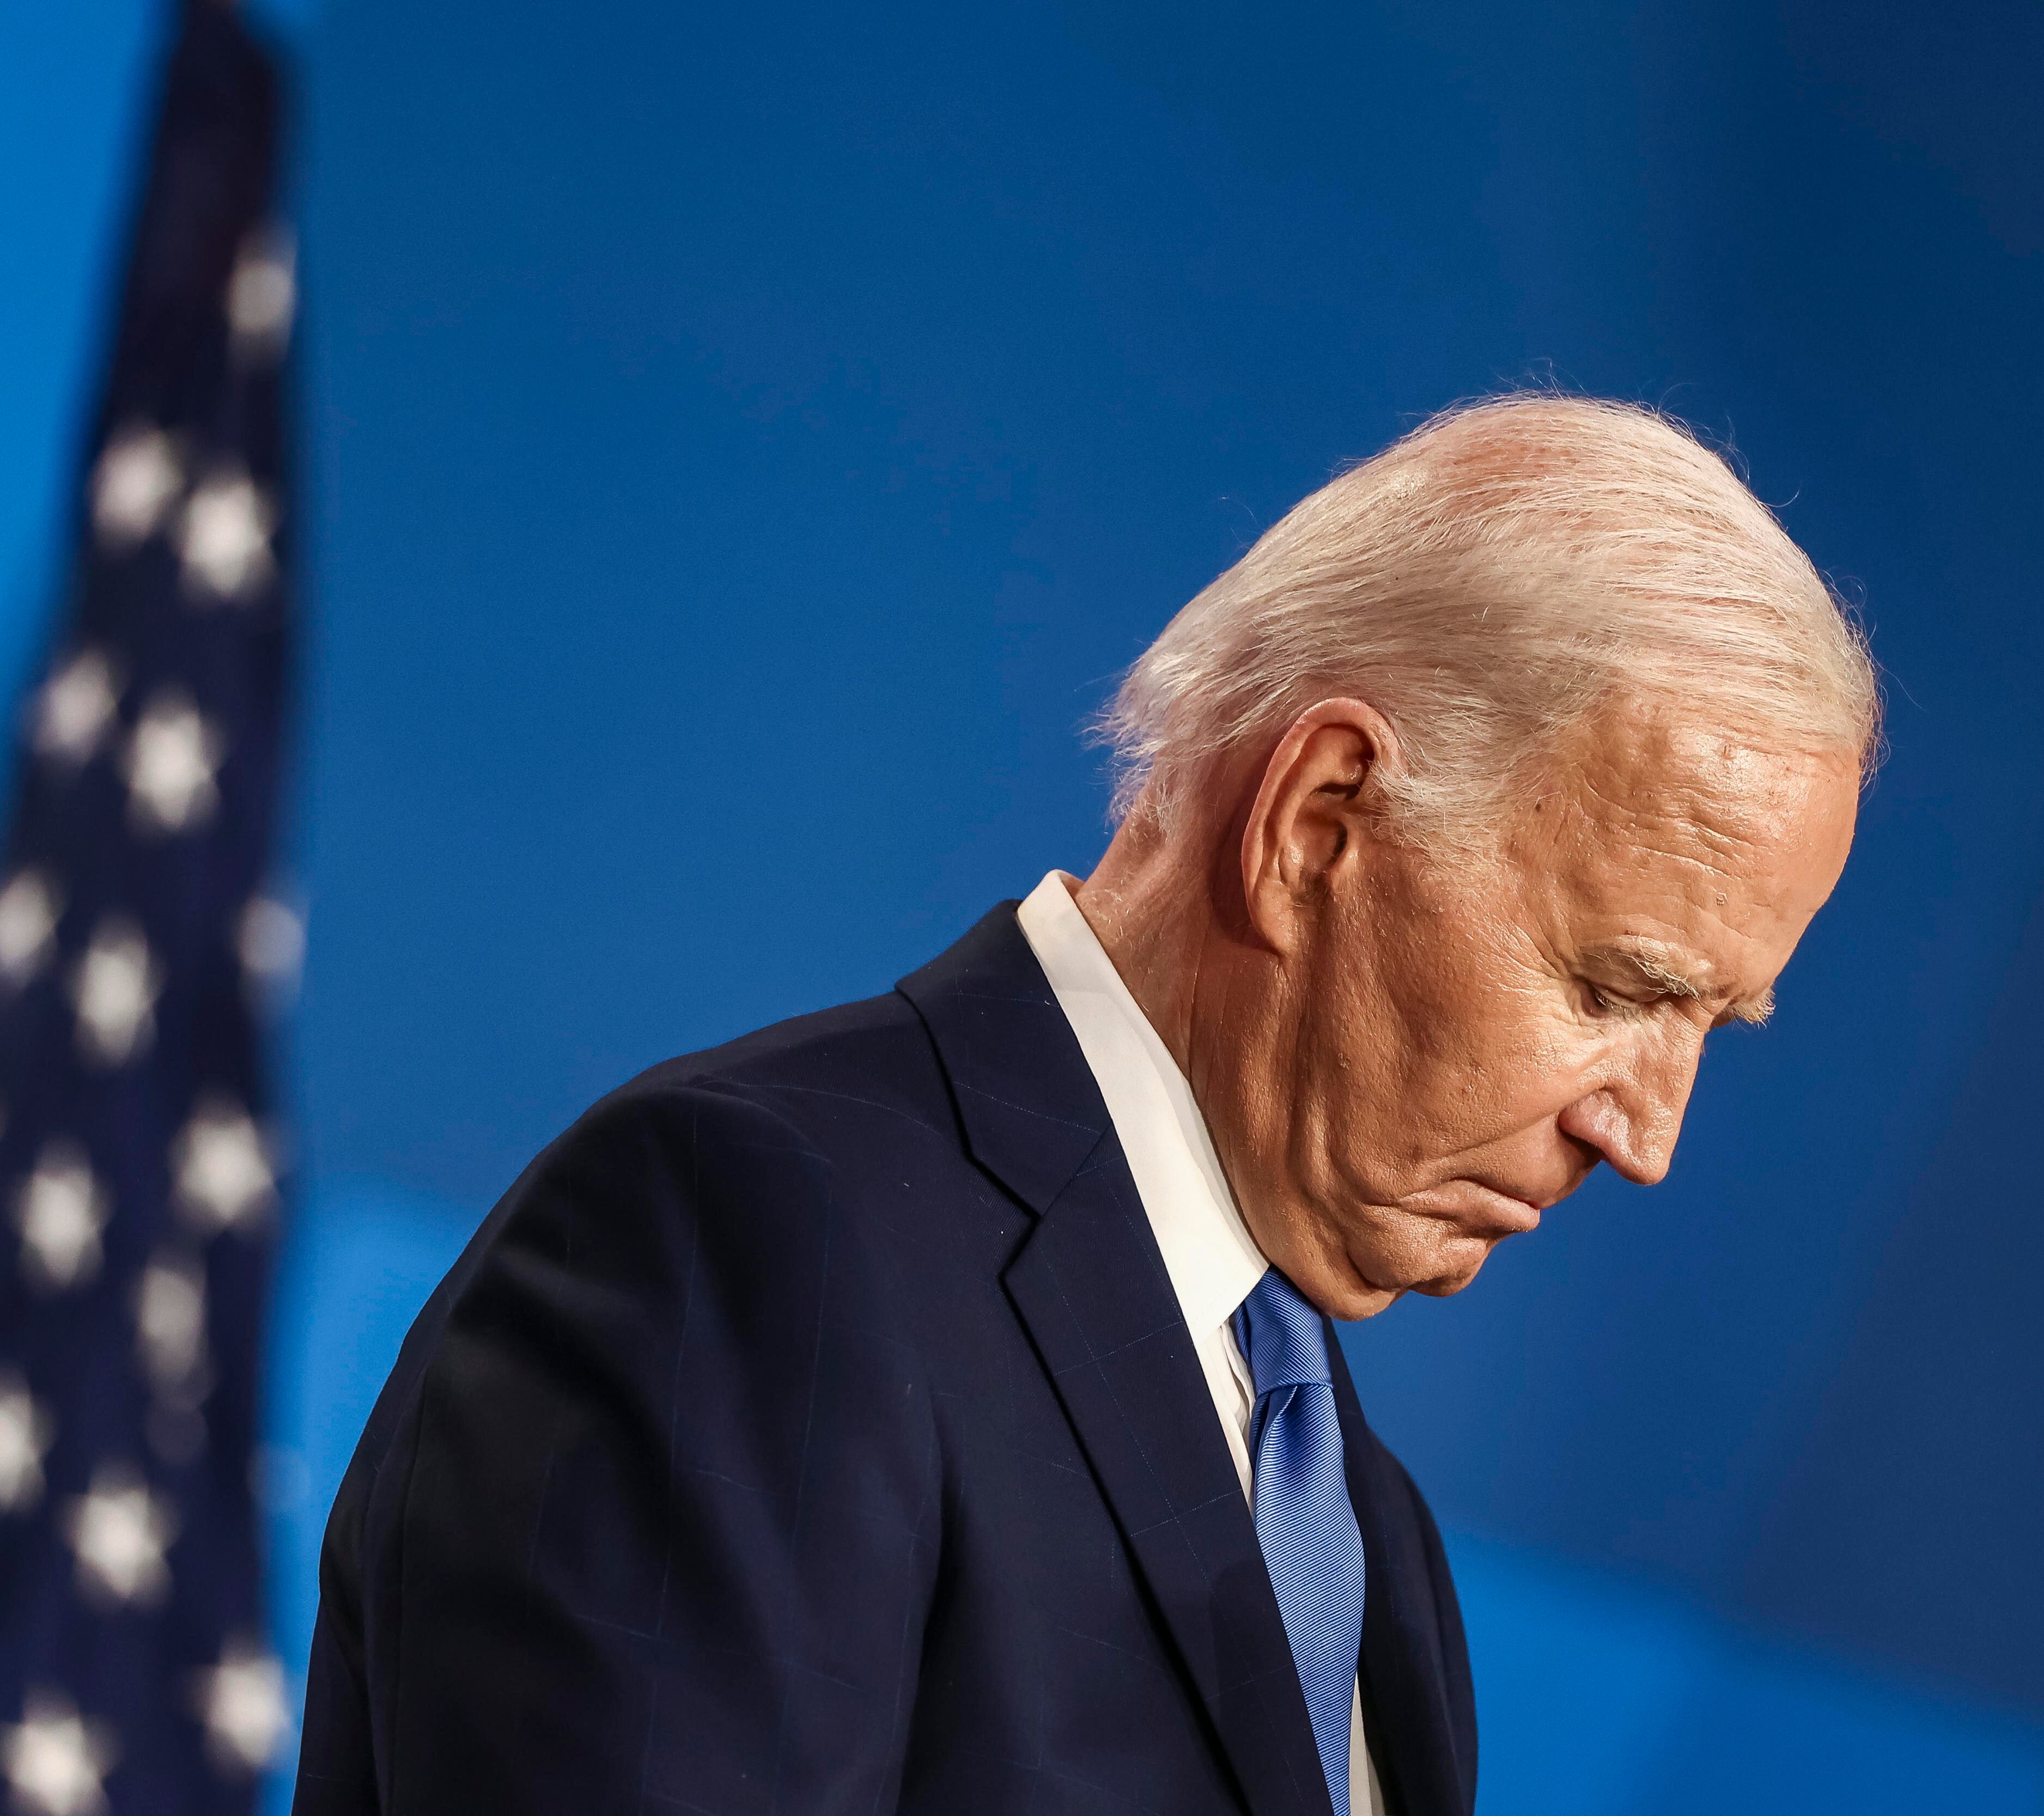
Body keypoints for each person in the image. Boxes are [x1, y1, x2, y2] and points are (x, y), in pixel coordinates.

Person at [291, 397, 1877, 1816]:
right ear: (1317, 824)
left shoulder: (1364, 1530)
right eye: (1617, 988)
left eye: (1711, 1028)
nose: (1647, 1135)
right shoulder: (752, 1248)